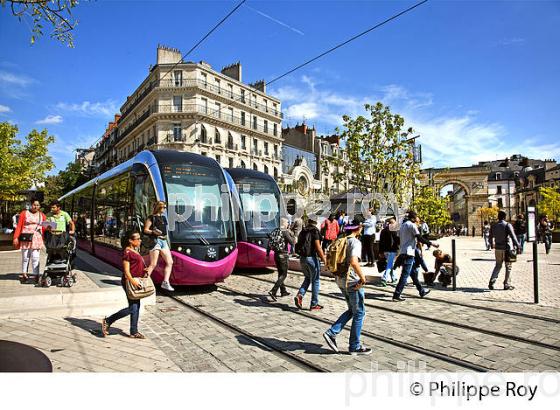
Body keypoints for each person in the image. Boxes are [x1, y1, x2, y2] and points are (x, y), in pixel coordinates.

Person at [323, 219, 372, 355]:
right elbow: (353, 262)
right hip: (352, 282)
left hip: (340, 280)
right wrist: (362, 278)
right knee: (359, 313)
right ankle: (354, 345)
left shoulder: (340, 240)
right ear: (358, 228)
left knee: (352, 310)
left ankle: (332, 333)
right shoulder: (355, 242)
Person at [101, 230, 148, 339]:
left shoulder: (135, 251)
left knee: (136, 306)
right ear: (131, 241)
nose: (140, 240)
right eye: (138, 239)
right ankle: (108, 320)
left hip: (136, 282)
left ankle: (134, 331)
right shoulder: (127, 253)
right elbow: (126, 271)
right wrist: (133, 282)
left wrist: (144, 271)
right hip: (130, 282)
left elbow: (136, 266)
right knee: (133, 308)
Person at [392, 210, 438, 302]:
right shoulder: (412, 225)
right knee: (404, 275)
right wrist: (431, 243)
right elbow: (419, 238)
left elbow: (397, 239)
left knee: (413, 274)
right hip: (409, 253)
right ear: (413, 217)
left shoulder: (402, 226)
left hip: (403, 251)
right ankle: (397, 294)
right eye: (416, 217)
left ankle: (421, 291)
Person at [294, 216, 327, 311]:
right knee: (315, 280)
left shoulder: (303, 230)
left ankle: (300, 295)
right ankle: (314, 304)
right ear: (316, 222)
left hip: (302, 258)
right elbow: (318, 247)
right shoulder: (315, 231)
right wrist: (324, 260)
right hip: (311, 258)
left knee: (308, 278)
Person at [13, 199, 46, 282]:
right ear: (31, 205)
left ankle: (36, 275)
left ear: (40, 206)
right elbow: (19, 226)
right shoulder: (24, 213)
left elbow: (45, 227)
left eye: (38, 205)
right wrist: (16, 237)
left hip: (36, 238)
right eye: (34, 205)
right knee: (25, 257)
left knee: (35, 257)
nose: (36, 207)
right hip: (25, 238)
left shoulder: (42, 215)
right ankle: (24, 274)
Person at [144, 201, 174, 291]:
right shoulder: (151, 218)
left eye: (165, 207)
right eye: (164, 207)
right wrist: (154, 232)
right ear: (159, 208)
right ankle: (143, 281)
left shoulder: (164, 218)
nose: (165, 209)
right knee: (153, 264)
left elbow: (165, 231)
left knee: (170, 262)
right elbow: (145, 230)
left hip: (164, 241)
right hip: (155, 241)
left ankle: (165, 282)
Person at [488, 211, 520, 290]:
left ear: (498, 217)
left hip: (498, 248)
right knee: (508, 266)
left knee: (498, 265)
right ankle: (507, 284)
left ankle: (492, 280)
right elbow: (513, 236)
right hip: (506, 248)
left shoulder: (494, 225)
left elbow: (490, 237)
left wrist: (491, 244)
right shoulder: (507, 225)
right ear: (505, 217)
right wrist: (518, 245)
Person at [266, 217, 296, 301]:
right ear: (284, 223)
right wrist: (293, 236)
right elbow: (292, 242)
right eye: (287, 223)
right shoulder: (285, 232)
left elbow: (269, 244)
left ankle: (283, 291)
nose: (288, 224)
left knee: (280, 273)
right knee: (284, 274)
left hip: (276, 254)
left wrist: (267, 254)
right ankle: (273, 291)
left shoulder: (275, 231)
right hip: (283, 255)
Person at [378, 217, 399, 286]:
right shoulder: (394, 231)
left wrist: (380, 252)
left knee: (390, 264)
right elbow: (397, 241)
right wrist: (398, 251)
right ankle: (384, 278)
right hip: (392, 250)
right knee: (390, 265)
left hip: (385, 250)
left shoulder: (383, 231)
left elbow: (380, 242)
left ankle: (394, 278)